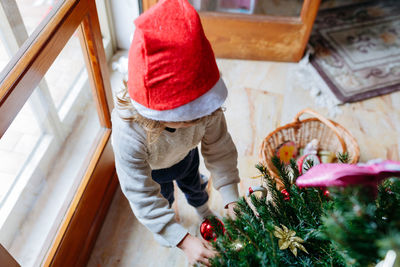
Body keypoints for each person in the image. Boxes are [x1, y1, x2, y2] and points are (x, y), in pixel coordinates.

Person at [111, 0, 240, 265]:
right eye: (187, 117)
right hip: (154, 171)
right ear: (157, 114)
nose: (199, 121)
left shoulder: (206, 112)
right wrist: (181, 239)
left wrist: (231, 198)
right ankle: (173, 219)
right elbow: (141, 194)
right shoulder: (129, 133)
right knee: (164, 198)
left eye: (202, 113)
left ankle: (203, 210)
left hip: (186, 156)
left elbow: (220, 147)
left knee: (195, 185)